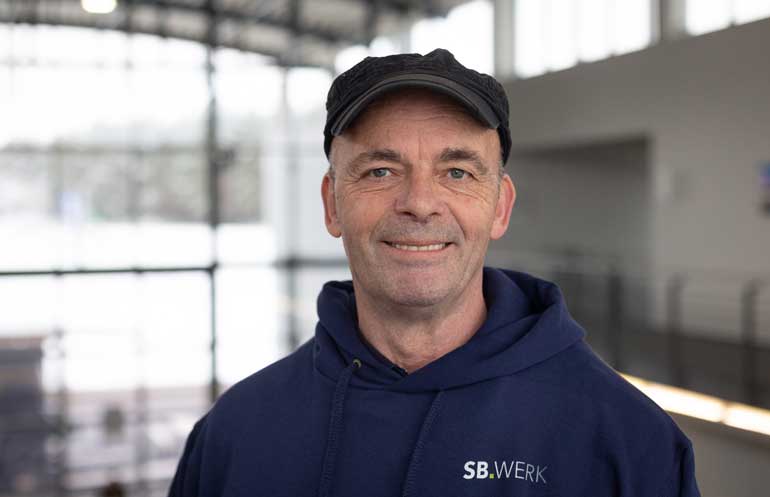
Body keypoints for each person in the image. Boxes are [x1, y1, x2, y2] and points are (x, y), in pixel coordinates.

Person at [168, 49, 701, 497]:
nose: (420, 203)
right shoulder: (235, 434)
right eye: (381, 170)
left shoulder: (627, 441)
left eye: (457, 173)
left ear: (500, 207)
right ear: (332, 205)